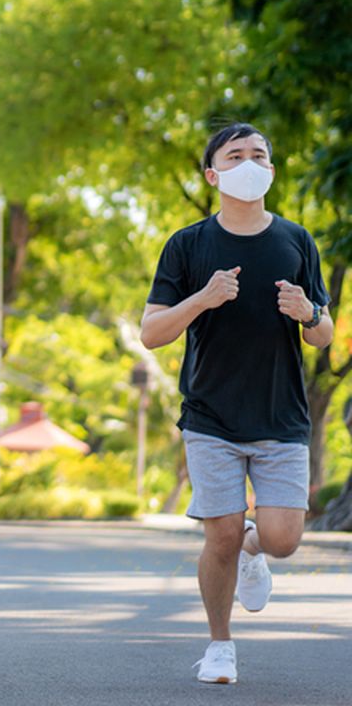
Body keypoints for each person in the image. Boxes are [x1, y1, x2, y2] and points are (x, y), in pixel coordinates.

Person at [140, 123, 333, 685]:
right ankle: (219, 646)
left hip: (282, 416)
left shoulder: (296, 241)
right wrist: (202, 298)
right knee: (218, 534)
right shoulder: (188, 244)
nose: (249, 162)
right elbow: (152, 333)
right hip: (211, 416)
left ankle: (256, 550)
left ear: (271, 170)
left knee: (283, 540)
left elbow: (323, 336)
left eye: (259, 155)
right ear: (212, 173)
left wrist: (309, 314)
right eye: (236, 154)